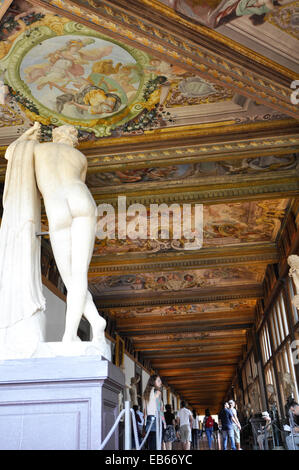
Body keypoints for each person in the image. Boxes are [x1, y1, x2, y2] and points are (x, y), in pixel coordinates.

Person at [0, 122, 109, 357]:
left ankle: (72, 334)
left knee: (70, 277)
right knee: (78, 274)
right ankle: (94, 323)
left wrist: (26, 137)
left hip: (56, 208)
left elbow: (12, 155)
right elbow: (79, 178)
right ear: (72, 140)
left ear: (55, 136)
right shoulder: (79, 156)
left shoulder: (38, 150)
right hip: (81, 200)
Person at [143, 374, 166, 450]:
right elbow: (160, 409)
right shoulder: (158, 392)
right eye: (158, 381)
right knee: (158, 445)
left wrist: (145, 423)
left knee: (151, 446)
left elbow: (145, 411)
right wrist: (164, 422)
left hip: (149, 420)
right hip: (157, 420)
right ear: (153, 382)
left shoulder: (146, 393)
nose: (161, 382)